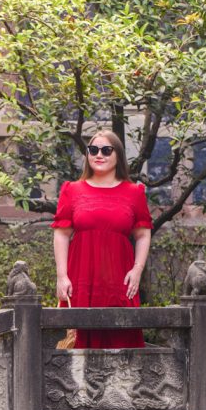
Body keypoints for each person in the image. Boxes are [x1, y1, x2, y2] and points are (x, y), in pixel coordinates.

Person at [52, 130, 153, 349]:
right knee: (76, 346)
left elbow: (143, 233)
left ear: (118, 155)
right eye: (93, 150)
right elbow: (61, 234)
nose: (99, 155)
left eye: (107, 150)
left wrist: (137, 269)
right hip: (80, 277)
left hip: (120, 280)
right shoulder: (73, 190)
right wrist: (62, 276)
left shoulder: (134, 192)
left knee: (122, 344)